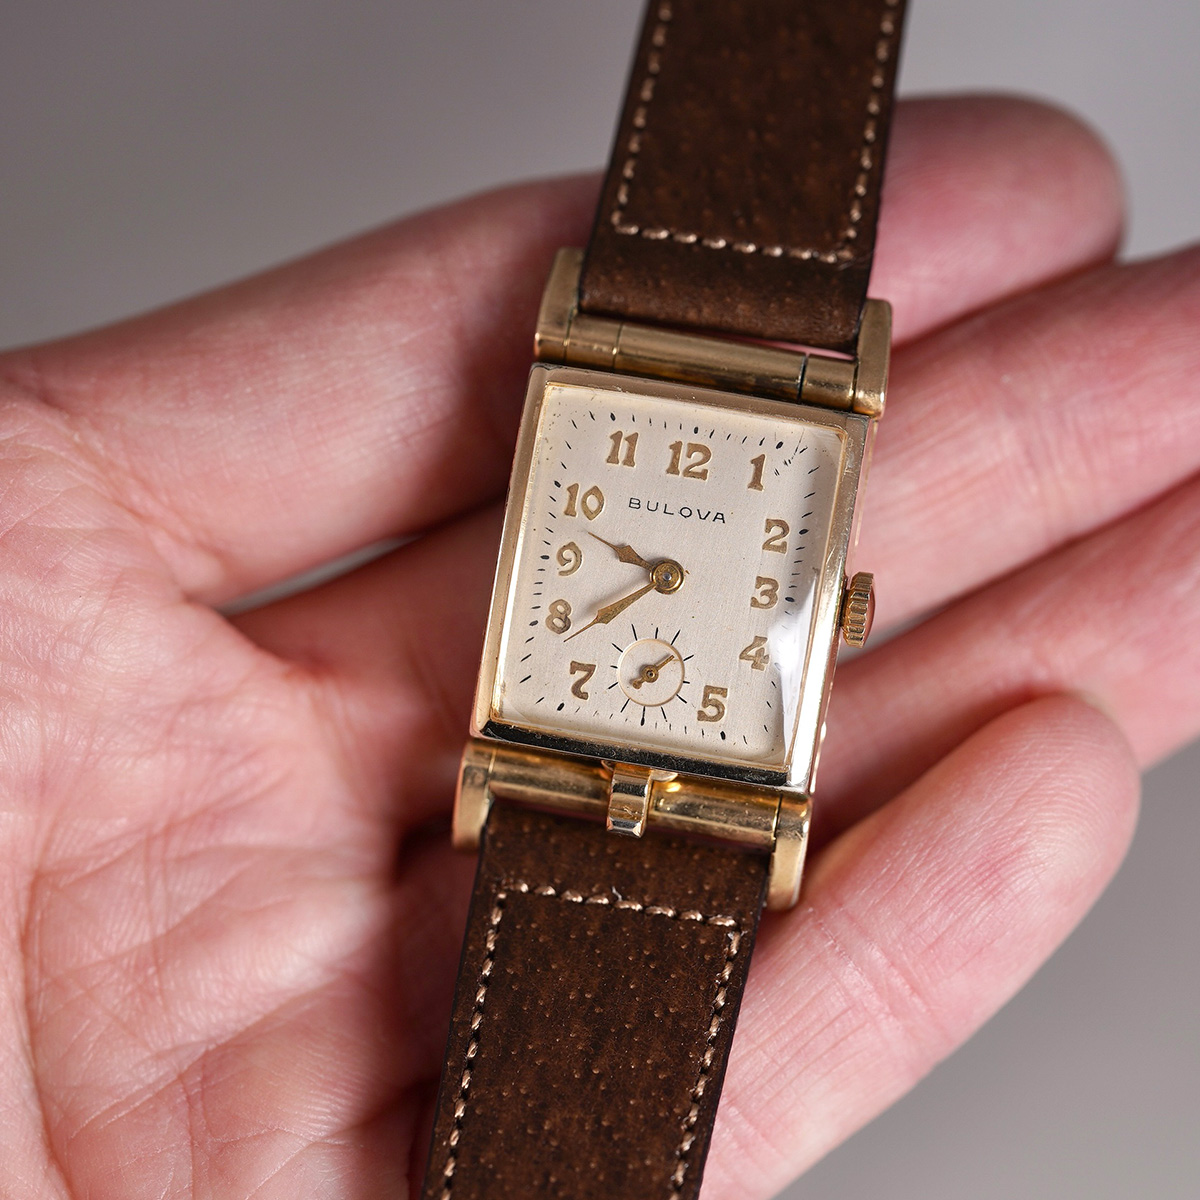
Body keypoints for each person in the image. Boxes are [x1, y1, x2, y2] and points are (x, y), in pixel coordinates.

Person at [0, 94, 1194, 1197]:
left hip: (693, 789)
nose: (668, 579)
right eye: (659, 573)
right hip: (560, 761)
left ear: (843, 606)